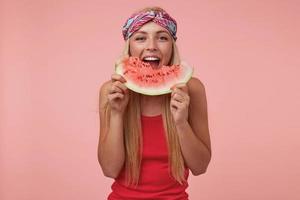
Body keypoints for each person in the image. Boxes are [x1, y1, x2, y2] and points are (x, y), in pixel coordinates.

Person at [98, 6, 212, 200]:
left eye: (162, 37)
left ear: (172, 46)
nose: (151, 46)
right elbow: (109, 169)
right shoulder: (112, 91)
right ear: (129, 46)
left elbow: (200, 167)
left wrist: (181, 123)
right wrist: (117, 114)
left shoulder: (192, 88)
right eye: (140, 38)